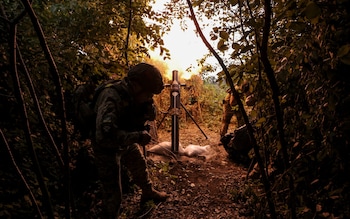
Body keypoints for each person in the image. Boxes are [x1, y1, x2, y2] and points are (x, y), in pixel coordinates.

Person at [93, 63, 169, 218]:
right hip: (106, 148)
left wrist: (148, 106)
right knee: (113, 195)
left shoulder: (135, 95)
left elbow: (150, 116)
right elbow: (104, 136)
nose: (150, 97)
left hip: (125, 141)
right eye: (148, 93)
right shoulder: (111, 97)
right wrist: (137, 137)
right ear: (136, 85)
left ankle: (148, 193)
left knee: (140, 166)